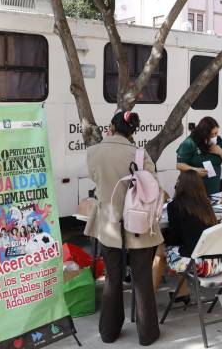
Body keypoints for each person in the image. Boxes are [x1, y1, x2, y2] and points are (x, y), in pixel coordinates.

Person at [85, 110, 163, 346]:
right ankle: (147, 334)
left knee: (112, 278)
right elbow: (154, 187)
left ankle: (109, 332)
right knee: (142, 278)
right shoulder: (139, 154)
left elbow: (96, 180)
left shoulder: (93, 152)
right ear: (132, 132)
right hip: (138, 223)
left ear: (111, 127)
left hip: (109, 224)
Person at [155, 170, 222, 303]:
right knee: (182, 249)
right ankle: (182, 292)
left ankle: (147, 299)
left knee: (161, 250)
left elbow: (174, 240)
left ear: (179, 185)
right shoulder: (207, 205)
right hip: (220, 264)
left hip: (202, 267)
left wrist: (162, 238)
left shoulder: (174, 206)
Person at [176, 117, 222, 196]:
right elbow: (179, 165)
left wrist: (220, 152)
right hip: (194, 190)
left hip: (214, 190)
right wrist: (195, 170)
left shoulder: (218, 141)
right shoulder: (190, 142)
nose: (214, 137)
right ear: (203, 134)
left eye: (216, 133)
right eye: (211, 135)